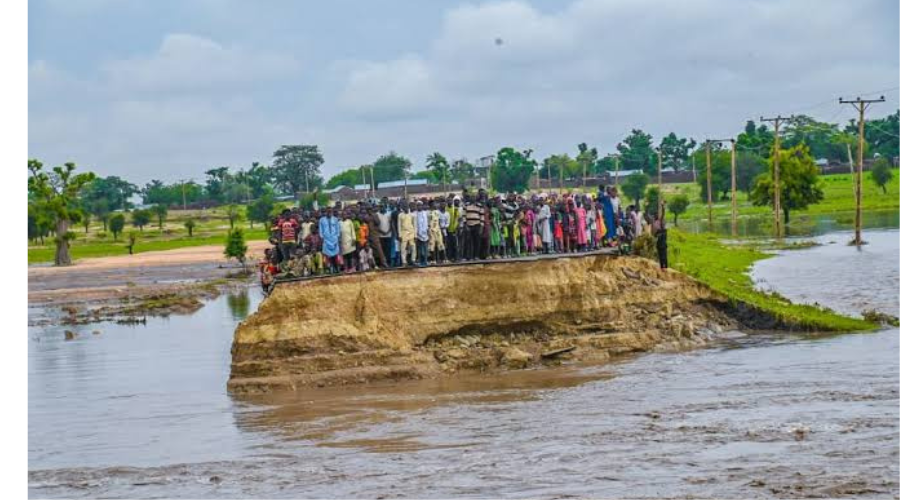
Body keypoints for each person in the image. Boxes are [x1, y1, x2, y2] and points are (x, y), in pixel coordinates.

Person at [319, 208, 341, 274]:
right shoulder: (322, 220)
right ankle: (330, 268)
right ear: (326, 212)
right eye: (328, 211)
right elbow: (321, 230)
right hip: (326, 240)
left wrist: (337, 237)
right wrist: (322, 237)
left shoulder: (335, 219)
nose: (329, 213)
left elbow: (337, 229)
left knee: (336, 255)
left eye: (330, 211)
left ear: (332, 212)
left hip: (334, 239)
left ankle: (336, 268)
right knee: (327, 255)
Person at [653, 200, 668, 269]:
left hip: (663, 237)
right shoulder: (654, 223)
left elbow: (663, 214)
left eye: (656, 214)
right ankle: (662, 267)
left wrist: (662, 206)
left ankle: (666, 266)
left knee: (664, 254)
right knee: (660, 254)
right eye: (655, 215)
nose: (656, 216)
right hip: (659, 239)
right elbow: (655, 233)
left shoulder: (660, 220)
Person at [415, 201, 430, 266]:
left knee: (425, 249)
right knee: (420, 249)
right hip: (418, 234)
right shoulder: (415, 214)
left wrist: (427, 231)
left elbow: (427, 223)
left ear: (422, 206)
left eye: (420, 205)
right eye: (418, 205)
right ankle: (421, 262)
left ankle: (426, 262)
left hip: (425, 233)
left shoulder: (425, 213)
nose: (419, 206)